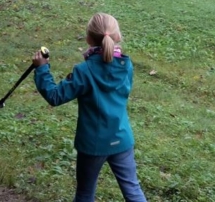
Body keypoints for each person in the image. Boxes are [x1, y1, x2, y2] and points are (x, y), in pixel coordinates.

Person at [32, 13, 147, 202]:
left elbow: (55, 96)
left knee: (85, 194)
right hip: (122, 138)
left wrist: (42, 68)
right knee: (133, 190)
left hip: (93, 144)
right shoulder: (126, 65)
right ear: (117, 37)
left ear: (88, 39)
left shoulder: (84, 71)